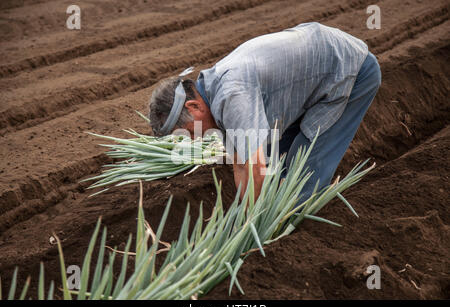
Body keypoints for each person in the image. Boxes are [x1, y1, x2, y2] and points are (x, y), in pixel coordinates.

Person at [148, 22, 381, 202]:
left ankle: (299, 223)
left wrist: (250, 224)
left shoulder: (231, 96)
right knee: (272, 162)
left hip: (347, 70)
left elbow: (255, 168)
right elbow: (241, 163)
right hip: (309, 80)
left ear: (194, 106)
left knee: (302, 180)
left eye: (189, 132)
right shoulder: (213, 92)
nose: (194, 139)